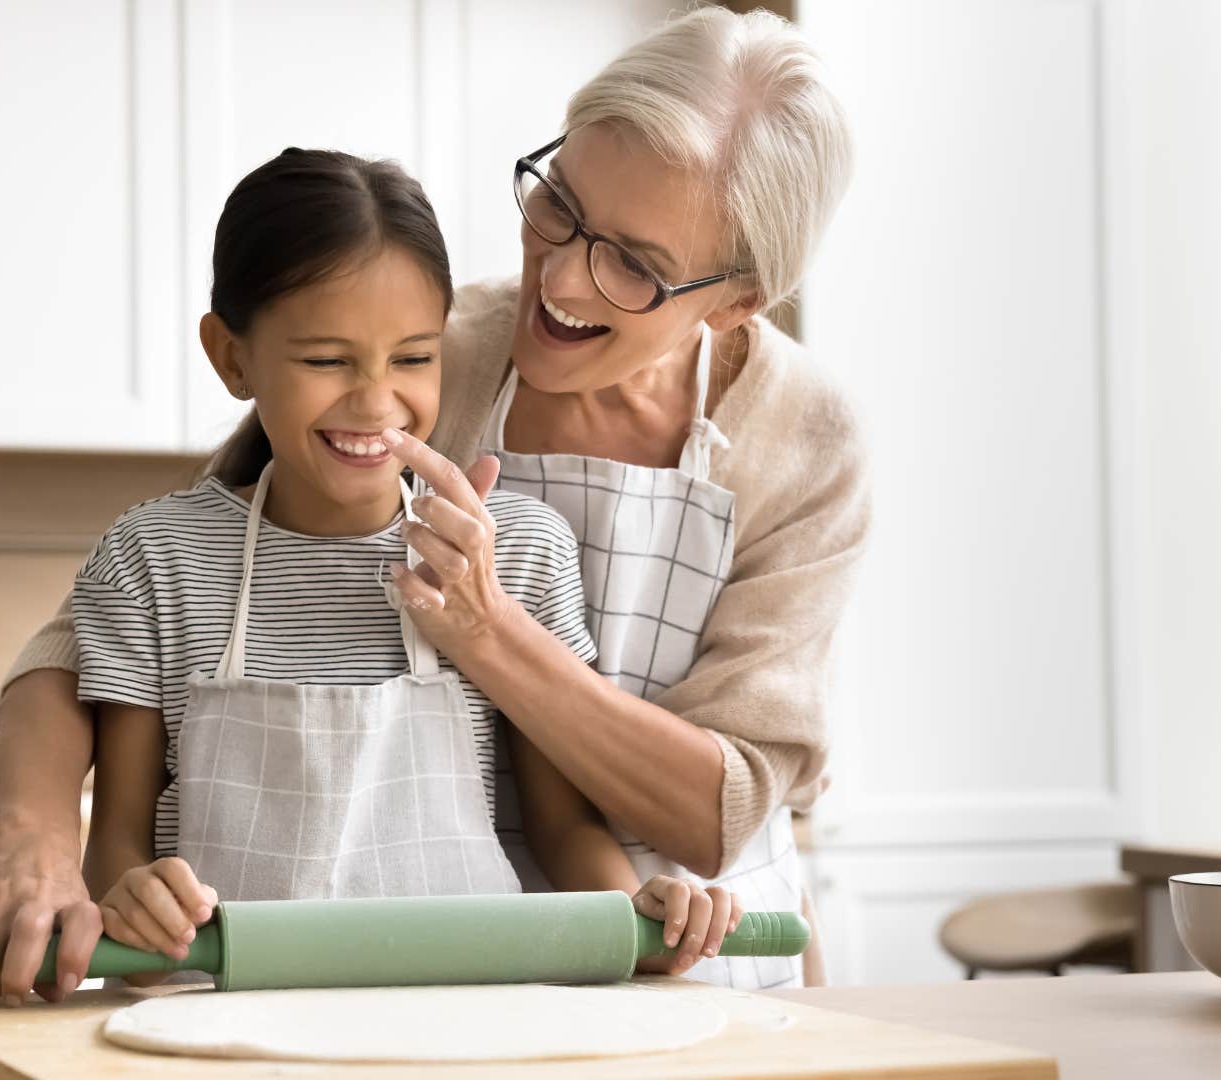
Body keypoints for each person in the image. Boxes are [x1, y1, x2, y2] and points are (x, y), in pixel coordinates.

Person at [0, 7, 866, 1001]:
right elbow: (104, 629)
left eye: (635, 267)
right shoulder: (434, 344)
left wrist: (488, 634)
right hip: (465, 965)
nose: (559, 276)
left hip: (693, 943)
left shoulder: (806, 440)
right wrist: (38, 835)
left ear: (736, 302)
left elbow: (717, 812)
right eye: (559, 202)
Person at [64, 147, 743, 988]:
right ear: (232, 357)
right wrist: (133, 897)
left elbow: (564, 833)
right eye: (326, 361)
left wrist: (640, 925)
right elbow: (116, 845)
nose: (376, 401)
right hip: (221, 1033)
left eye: (413, 358)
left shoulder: (515, 554)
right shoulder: (156, 560)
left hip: (464, 1032)